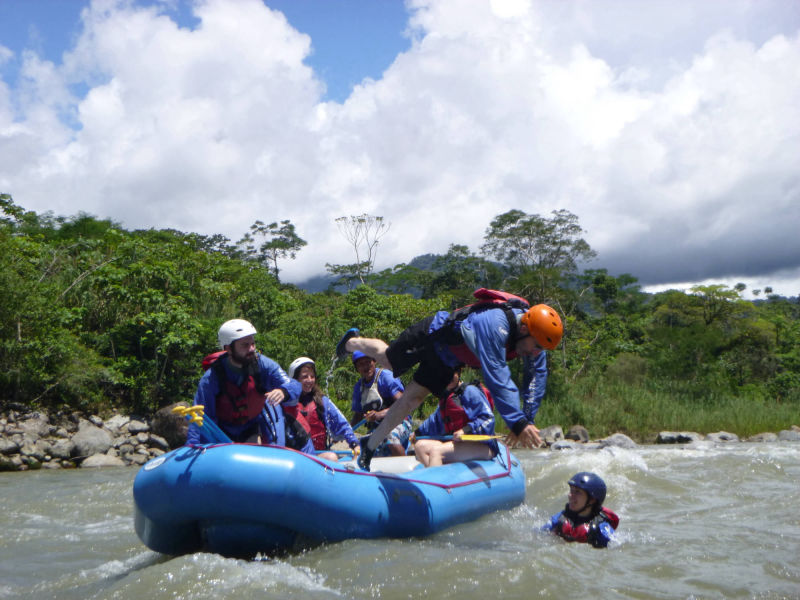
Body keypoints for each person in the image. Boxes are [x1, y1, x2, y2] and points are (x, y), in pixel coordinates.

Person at [336, 289, 563, 470]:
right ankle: (352, 342)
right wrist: (517, 421)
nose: (536, 353)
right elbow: (497, 375)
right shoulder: (495, 324)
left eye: (541, 349)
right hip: (433, 333)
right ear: (524, 327)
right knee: (387, 361)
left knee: (411, 400)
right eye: (536, 347)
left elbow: (536, 377)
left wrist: (528, 420)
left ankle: (370, 446)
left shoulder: (533, 339)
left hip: (447, 358)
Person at [187, 319, 313, 453]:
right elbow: (200, 417)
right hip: (222, 431)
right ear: (228, 348)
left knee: (268, 414)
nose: (251, 349)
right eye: (245, 345)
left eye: (252, 343)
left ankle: (274, 453)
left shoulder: (263, 364)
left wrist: (284, 391)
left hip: (252, 427)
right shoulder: (211, 378)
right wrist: (192, 446)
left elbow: (294, 385)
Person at [412, 367, 497, 467]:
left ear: (458, 373)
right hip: (458, 444)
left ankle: (438, 479)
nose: (448, 378)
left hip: (482, 445)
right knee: (420, 446)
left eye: (451, 374)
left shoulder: (470, 391)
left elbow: (488, 418)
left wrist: (465, 430)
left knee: (436, 452)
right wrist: (417, 433)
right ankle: (441, 476)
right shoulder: (446, 397)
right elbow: (434, 421)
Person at [285, 356, 359, 461]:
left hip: (317, 455)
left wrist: (354, 443)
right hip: (294, 455)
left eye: (312, 376)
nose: (309, 380)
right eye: (305, 377)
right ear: (295, 379)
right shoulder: (286, 402)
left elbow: (342, 424)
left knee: (331, 457)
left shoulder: (321, 401)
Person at [350, 350, 411, 457]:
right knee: (364, 449)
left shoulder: (386, 377)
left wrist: (379, 415)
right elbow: (358, 416)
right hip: (378, 428)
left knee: (390, 438)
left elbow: (403, 404)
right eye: (361, 364)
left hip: (400, 422)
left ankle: (405, 467)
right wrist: (346, 433)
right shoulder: (358, 388)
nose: (365, 367)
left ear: (374, 362)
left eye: (368, 362)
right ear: (357, 369)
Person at [544, 472, 619, 548]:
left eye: (577, 492)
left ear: (592, 500)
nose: (570, 495)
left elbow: (617, 547)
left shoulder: (601, 528)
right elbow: (540, 535)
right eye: (571, 490)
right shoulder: (559, 519)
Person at [522, 351, 548, 425]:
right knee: (535, 375)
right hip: (536, 341)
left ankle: (525, 419)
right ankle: (526, 421)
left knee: (532, 375)